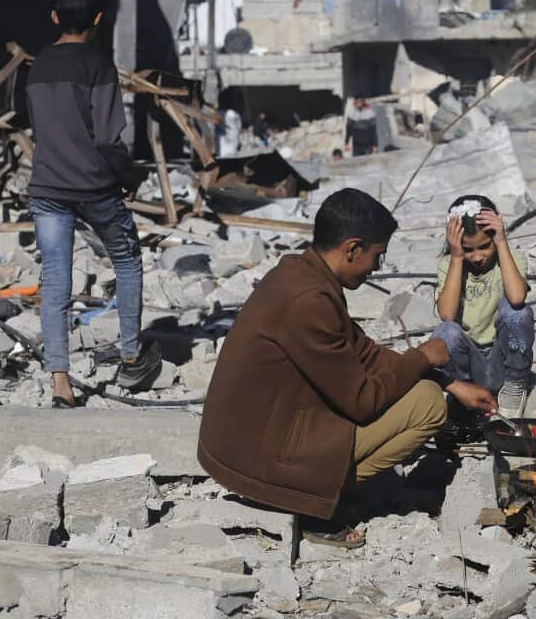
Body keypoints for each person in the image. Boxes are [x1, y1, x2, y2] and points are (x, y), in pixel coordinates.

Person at [197, 189, 498, 547]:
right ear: (353, 249)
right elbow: (362, 401)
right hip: (253, 460)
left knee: (430, 391)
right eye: (377, 257)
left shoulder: (303, 273)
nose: (375, 268)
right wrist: (422, 357)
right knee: (428, 405)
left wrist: (450, 382)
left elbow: (364, 352)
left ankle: (321, 487)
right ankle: (313, 504)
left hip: (255, 437)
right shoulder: (309, 301)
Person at [26, 0, 161, 408]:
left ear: (53, 17)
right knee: (126, 260)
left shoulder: (38, 66)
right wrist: (130, 177)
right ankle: (131, 355)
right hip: (95, 187)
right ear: (99, 20)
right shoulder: (99, 64)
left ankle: (60, 381)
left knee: (55, 280)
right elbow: (107, 137)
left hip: (47, 188)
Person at [432, 196, 534, 416]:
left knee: (518, 312)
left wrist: (501, 243)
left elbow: (517, 298)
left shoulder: (511, 257)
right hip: (469, 366)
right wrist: (457, 258)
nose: (477, 257)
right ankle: (463, 396)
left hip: (503, 359)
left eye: (484, 246)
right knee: (445, 332)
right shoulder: (449, 265)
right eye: (469, 249)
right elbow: (447, 314)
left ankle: (514, 388)